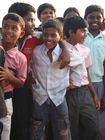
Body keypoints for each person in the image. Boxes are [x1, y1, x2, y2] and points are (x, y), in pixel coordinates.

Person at [8, 2, 70, 140]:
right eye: (29, 20)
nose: (33, 23)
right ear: (19, 20)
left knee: (25, 124)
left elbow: (54, 36)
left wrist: (64, 48)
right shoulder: (5, 39)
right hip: (6, 88)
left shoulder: (36, 38)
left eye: (33, 20)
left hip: (24, 90)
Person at [29, 18, 87, 140]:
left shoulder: (65, 53)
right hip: (40, 97)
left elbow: (80, 64)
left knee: (62, 131)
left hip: (59, 97)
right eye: (45, 34)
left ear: (60, 36)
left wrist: (74, 83)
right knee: (37, 130)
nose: (48, 38)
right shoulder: (37, 52)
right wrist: (32, 79)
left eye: (53, 35)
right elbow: (30, 66)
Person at [64, 16, 100, 140]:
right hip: (68, 93)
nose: (86, 34)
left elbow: (86, 74)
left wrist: (94, 95)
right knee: (72, 129)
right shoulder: (60, 48)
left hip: (85, 92)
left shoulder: (85, 50)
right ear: (71, 32)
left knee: (93, 128)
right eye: (83, 31)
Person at [83, 5, 105, 140]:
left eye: (98, 17)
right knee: (83, 123)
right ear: (85, 19)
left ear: (103, 20)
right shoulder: (82, 37)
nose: (94, 20)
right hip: (82, 85)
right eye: (90, 17)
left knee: (100, 127)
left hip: (99, 84)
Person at [0, 12, 27, 140]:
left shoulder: (21, 58)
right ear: (1, 29)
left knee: (4, 130)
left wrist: (9, 77)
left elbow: (21, 83)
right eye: (5, 26)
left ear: (21, 33)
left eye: (14, 28)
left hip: (6, 99)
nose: (9, 31)